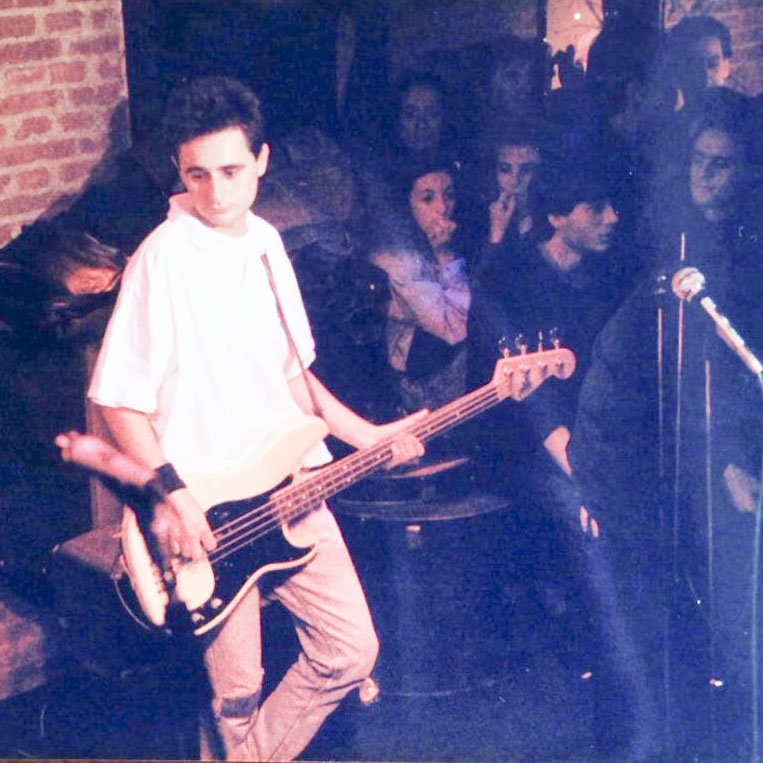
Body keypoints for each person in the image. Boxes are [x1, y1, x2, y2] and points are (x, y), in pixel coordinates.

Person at [86, 76, 426, 762]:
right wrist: (174, 496)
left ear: (262, 160)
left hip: (291, 482)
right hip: (209, 509)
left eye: (231, 171)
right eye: (197, 175)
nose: (215, 193)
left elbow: (292, 376)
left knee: (350, 649)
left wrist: (366, 435)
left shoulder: (267, 241)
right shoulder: (162, 259)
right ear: (179, 171)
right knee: (236, 696)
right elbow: (118, 401)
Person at [570, 89, 762, 759]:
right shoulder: (662, 247)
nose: (706, 175)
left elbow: (736, 371)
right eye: (698, 160)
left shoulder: (746, 248)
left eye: (723, 164)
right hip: (646, 462)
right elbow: (629, 378)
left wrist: (737, 456)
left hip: (714, 462)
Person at [369, 159, 470, 416]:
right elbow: (453, 328)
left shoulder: (457, 239)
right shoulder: (400, 259)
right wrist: (444, 255)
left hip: (455, 377)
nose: (443, 208)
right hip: (422, 390)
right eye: (428, 199)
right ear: (407, 205)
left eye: (449, 196)